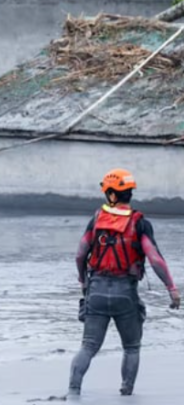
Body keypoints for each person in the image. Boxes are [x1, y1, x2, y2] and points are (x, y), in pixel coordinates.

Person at [68, 168, 180, 397]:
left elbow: (80, 254)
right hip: (125, 295)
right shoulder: (140, 223)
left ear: (111, 194)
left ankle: (73, 392)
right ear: (128, 193)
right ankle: (126, 393)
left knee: (88, 346)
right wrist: (172, 289)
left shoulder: (96, 219)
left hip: (96, 291)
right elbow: (155, 259)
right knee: (131, 347)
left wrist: (83, 281)